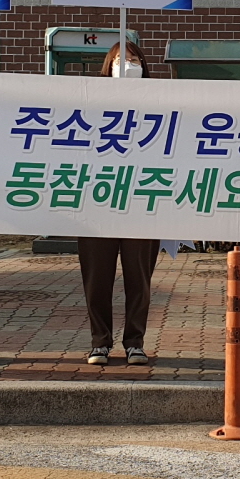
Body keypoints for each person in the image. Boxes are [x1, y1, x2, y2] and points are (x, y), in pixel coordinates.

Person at [78, 39, 161, 365]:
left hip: (141, 203)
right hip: (97, 205)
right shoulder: (89, 103)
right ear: (108, 67)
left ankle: (134, 342)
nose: (128, 66)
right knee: (96, 279)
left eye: (134, 60)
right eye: (120, 60)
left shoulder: (159, 103)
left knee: (139, 279)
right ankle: (100, 341)